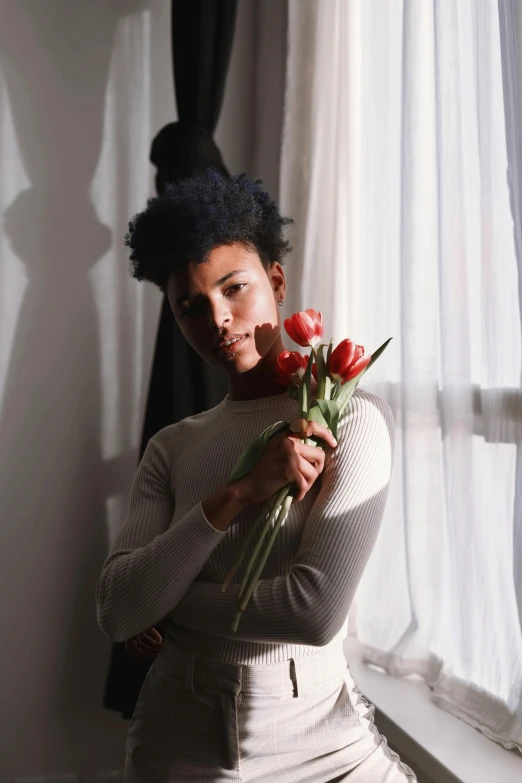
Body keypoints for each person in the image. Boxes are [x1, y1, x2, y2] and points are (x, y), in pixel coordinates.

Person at [95, 168, 416, 782]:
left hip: (325, 744)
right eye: (190, 306)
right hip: (180, 738)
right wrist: (240, 491)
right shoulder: (172, 447)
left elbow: (314, 612)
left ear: (276, 280)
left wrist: (163, 603)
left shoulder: (351, 420)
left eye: (234, 288)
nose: (216, 317)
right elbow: (117, 609)